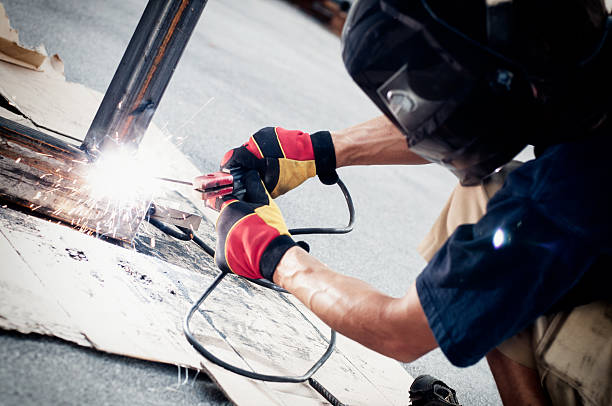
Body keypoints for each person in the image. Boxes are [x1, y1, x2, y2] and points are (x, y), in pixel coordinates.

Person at [195, 1, 612, 405]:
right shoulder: (577, 59)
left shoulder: (567, 189)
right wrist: (319, 150)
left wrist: (269, 254)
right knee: (488, 203)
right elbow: (487, 116)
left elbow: (399, 331)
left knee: (496, 236)